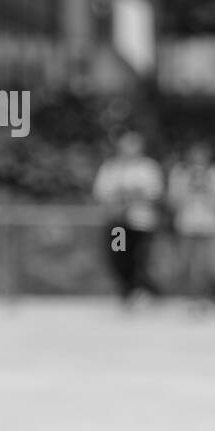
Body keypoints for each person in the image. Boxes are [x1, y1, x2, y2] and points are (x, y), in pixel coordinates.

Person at [93, 130, 164, 306]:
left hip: (142, 223)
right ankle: (127, 291)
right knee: (120, 258)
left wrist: (134, 195)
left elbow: (155, 192)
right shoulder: (111, 167)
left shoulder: (148, 167)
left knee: (140, 259)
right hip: (118, 224)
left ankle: (144, 291)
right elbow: (101, 192)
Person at [167, 142, 215, 310]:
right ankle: (191, 297)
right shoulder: (180, 172)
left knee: (207, 263)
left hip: (210, 224)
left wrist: (207, 186)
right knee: (186, 263)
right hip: (186, 223)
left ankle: (208, 297)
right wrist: (189, 186)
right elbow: (173, 200)